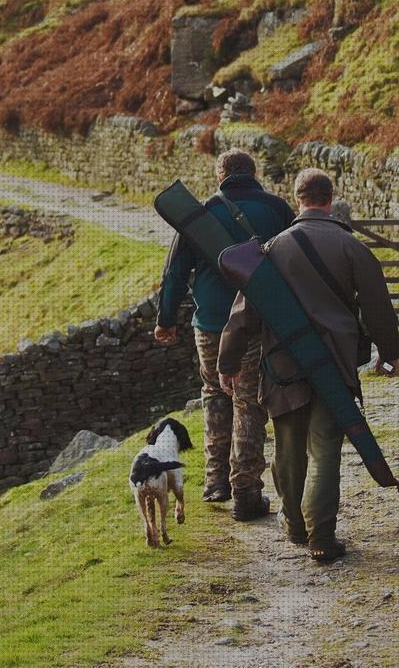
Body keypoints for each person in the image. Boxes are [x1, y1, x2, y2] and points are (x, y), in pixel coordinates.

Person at [217, 168, 399, 562]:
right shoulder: (352, 247)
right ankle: (321, 535)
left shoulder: (271, 249)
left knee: (288, 450)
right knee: (325, 450)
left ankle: (295, 526)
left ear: (297, 199)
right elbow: (377, 307)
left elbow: (243, 315)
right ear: (330, 199)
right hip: (335, 364)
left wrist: (227, 363)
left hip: (284, 365)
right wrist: (390, 353)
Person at [154, 149, 295, 520]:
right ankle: (245, 491)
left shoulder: (199, 215)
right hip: (257, 321)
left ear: (220, 177)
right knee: (248, 400)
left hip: (211, 324)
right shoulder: (278, 210)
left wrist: (165, 320)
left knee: (214, 395)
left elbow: (174, 274)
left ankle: (216, 481)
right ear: (254, 173)